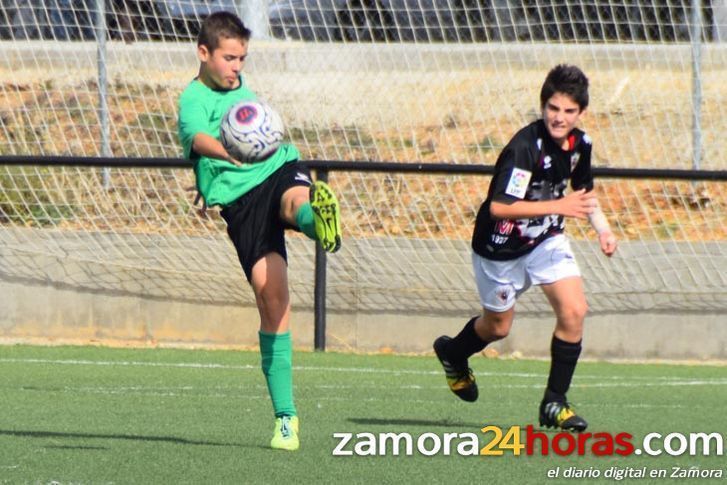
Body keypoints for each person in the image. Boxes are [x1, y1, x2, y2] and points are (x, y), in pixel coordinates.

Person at [177, 11, 342, 451]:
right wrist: (231, 153)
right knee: (273, 298)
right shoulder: (194, 98)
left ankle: (316, 221)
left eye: (242, 59)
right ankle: (286, 418)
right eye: (229, 58)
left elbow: (261, 129)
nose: (236, 68)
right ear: (203, 53)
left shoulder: (242, 90)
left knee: (296, 202)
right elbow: (196, 138)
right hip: (241, 200)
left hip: (279, 166)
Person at [433, 64, 617, 432]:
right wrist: (558, 206)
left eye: (568, 111)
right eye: (553, 108)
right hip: (499, 247)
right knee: (499, 327)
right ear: (543, 105)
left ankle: (554, 403)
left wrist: (603, 229)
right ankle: (454, 353)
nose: (559, 117)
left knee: (575, 310)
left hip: (546, 240)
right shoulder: (524, 147)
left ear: (581, 113)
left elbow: (583, 193)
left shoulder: (581, 144)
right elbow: (500, 206)